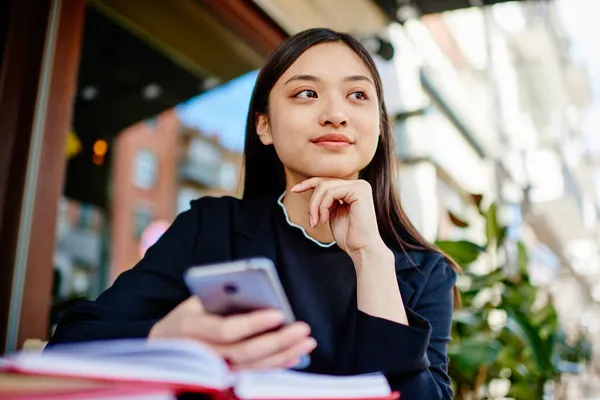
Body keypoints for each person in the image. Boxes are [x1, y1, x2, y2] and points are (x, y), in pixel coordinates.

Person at [49, 28, 460, 399]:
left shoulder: (423, 271)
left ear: (379, 125)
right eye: (306, 93)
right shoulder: (211, 228)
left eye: (358, 95)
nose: (337, 113)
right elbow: (70, 341)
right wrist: (165, 336)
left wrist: (373, 259)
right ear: (264, 125)